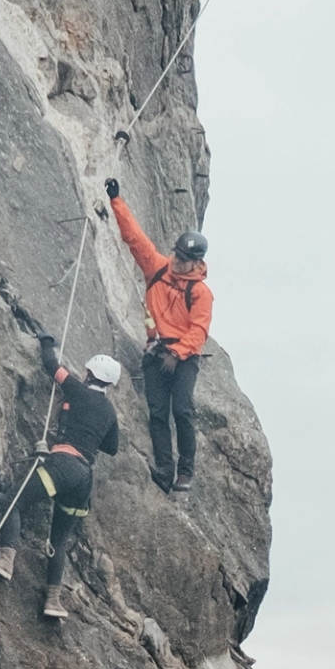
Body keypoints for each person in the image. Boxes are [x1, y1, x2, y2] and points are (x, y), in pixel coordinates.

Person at [103, 178, 210, 492]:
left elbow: (199, 330)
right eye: (176, 254)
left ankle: (186, 471)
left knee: (183, 410)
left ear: (196, 263)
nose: (177, 260)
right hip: (156, 352)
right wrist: (116, 200)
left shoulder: (201, 293)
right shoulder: (158, 268)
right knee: (158, 413)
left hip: (183, 357)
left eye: (183, 258)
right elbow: (135, 238)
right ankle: (164, 470)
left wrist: (178, 354)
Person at [9, 349, 123, 620]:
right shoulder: (109, 410)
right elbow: (112, 447)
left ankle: (5, 558)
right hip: (83, 482)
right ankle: (53, 599)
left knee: (14, 502)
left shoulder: (77, 390)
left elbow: (52, 366)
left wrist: (46, 341)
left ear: (90, 374)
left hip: (64, 465)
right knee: (58, 541)